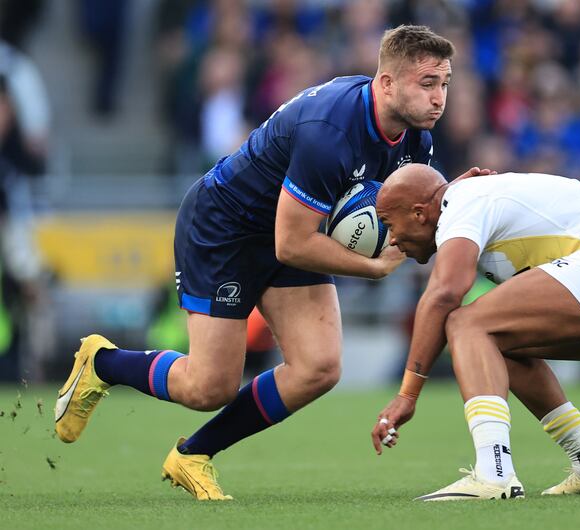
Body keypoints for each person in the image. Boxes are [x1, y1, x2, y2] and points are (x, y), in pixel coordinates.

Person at [55, 25, 481, 501]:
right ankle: (103, 362)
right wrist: (373, 267)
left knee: (318, 366)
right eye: (427, 84)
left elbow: (410, 215)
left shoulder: (416, 139)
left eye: (444, 84)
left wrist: (462, 198)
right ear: (386, 83)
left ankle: (192, 455)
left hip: (294, 228)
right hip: (227, 229)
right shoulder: (330, 132)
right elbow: (291, 245)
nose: (439, 98)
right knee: (207, 388)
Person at [371, 163, 580, 501]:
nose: (392, 239)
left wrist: (407, 395)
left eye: (390, 224)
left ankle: (493, 473)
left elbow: (444, 294)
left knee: (465, 323)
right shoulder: (484, 209)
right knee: (500, 341)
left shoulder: (462, 200)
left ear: (420, 212)